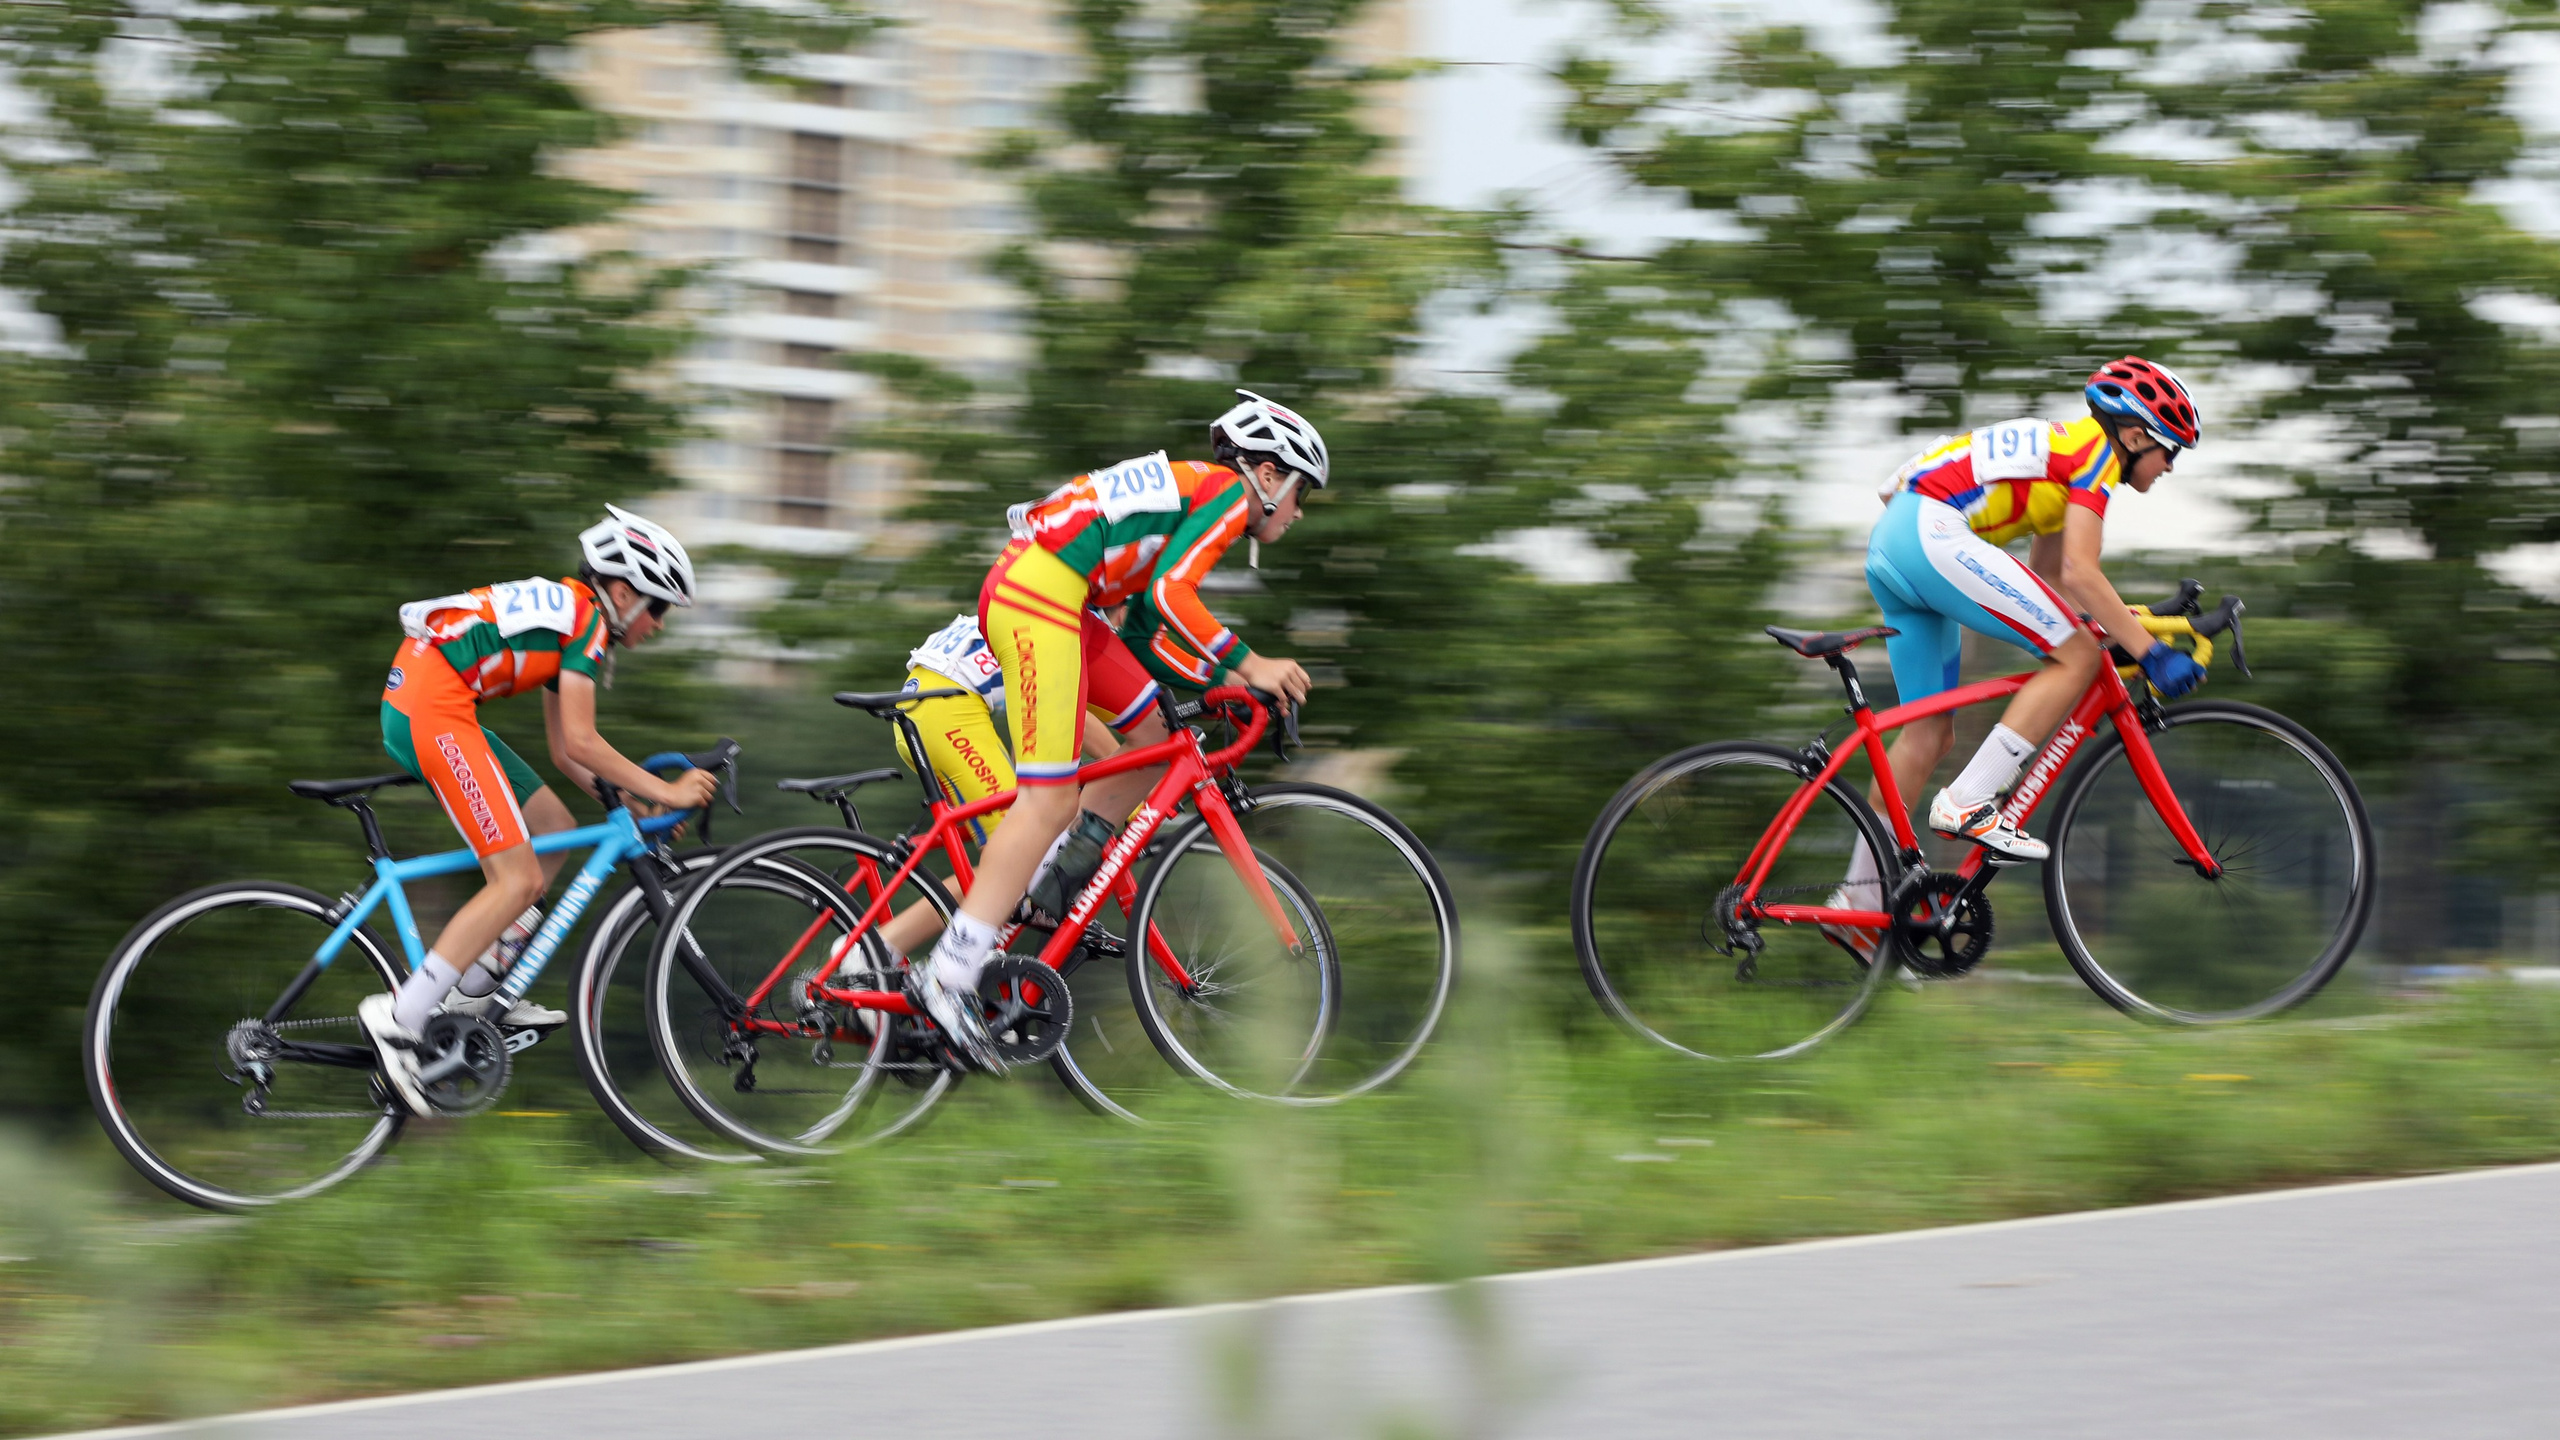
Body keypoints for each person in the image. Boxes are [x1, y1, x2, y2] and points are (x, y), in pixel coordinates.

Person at [911, 390, 1323, 1068]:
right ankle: (949, 973)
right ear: (1270, 475)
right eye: (1302, 491)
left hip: (1069, 604)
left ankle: (1069, 867)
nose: (1299, 510)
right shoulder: (1224, 492)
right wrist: (1253, 663)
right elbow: (1170, 596)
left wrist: (1220, 683)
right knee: (1047, 798)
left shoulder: (1196, 496)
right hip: (1040, 596)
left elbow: (1143, 633)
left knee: (1155, 737)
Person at [1831, 358, 2207, 958]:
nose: (2168, 467)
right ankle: (1968, 802)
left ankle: (1856, 899)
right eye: (2169, 451)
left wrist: (2119, 625)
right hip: (1932, 532)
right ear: (2134, 436)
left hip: (1898, 540)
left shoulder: (2069, 451)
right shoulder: (2095, 461)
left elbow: (2050, 578)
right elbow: (2082, 574)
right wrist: (2150, 652)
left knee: (1929, 731)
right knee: (2077, 658)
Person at [358, 506, 720, 1114]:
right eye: (658, 608)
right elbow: (582, 743)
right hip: (435, 709)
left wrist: (630, 803)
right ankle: (404, 1016)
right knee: (518, 877)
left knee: (555, 827)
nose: (657, 625)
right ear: (625, 592)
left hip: (438, 702)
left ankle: (470, 992)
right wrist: (668, 792)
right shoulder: (587, 624)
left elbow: (564, 751)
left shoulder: (574, 614)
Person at [868, 608, 1159, 964]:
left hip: (934, 707)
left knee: (1021, 841)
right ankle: (883, 948)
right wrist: (1136, 784)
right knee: (1014, 860)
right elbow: (1076, 717)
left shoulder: (1046, 604)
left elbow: (1035, 739)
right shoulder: (1078, 623)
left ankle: (945, 958)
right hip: (948, 713)